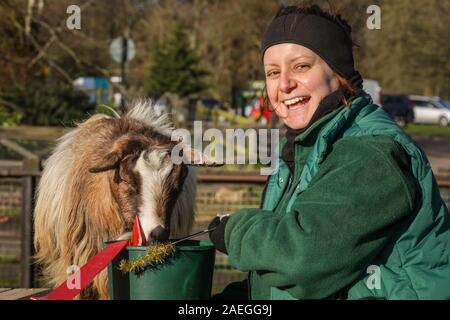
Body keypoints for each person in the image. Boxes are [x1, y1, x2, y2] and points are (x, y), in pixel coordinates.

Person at [208, 4, 450, 300]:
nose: (284, 84)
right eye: (273, 72)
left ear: (339, 73)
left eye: (301, 66)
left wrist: (236, 231)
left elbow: (300, 259)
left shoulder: (370, 153)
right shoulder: (302, 150)